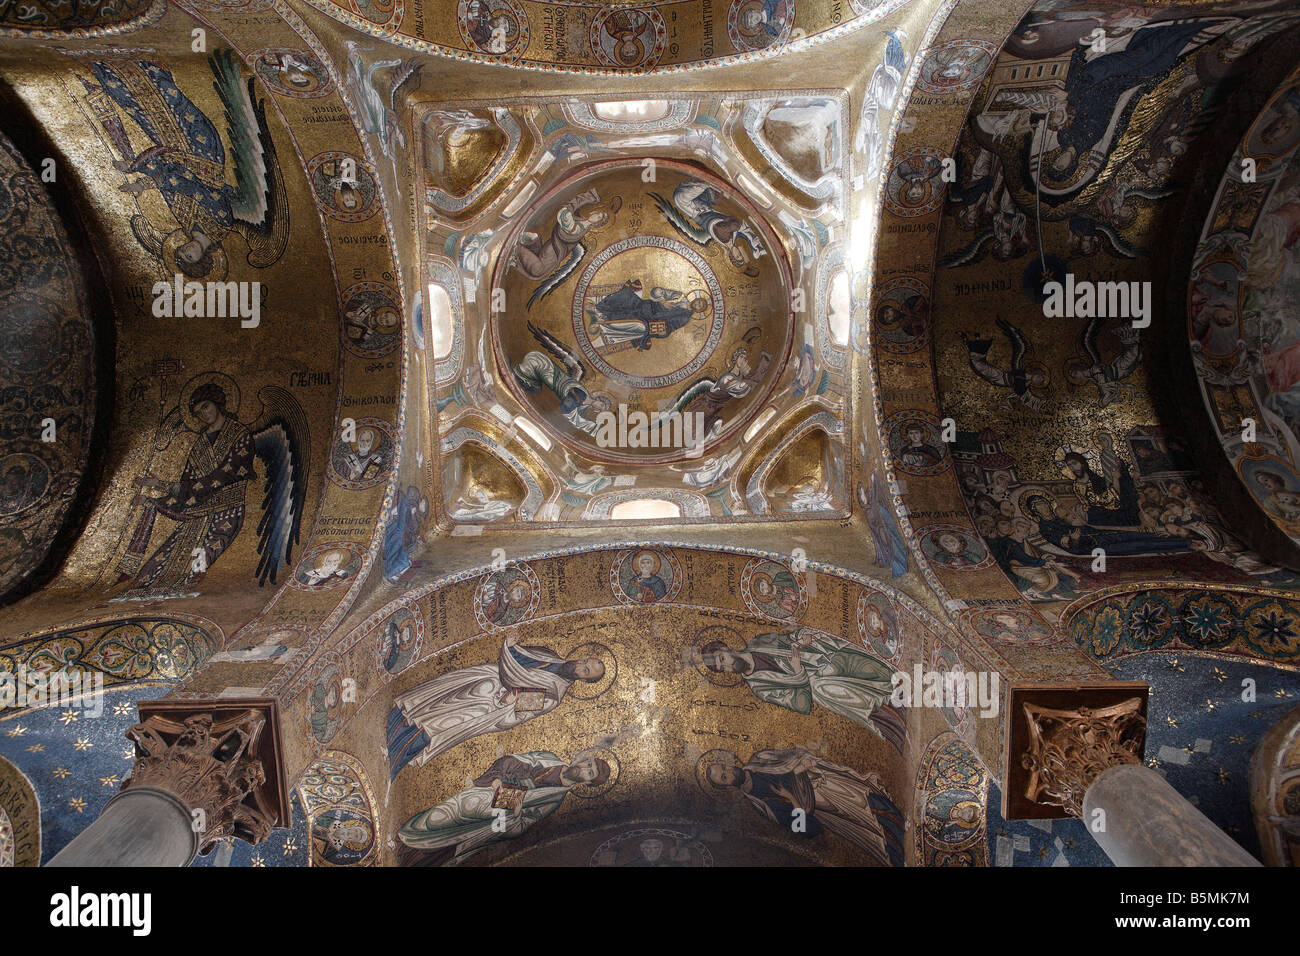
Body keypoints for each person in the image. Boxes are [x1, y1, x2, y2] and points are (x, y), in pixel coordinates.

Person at [386, 632, 606, 779]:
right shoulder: (551, 656)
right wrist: (511, 646)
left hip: (488, 705)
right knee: (432, 699)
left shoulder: (553, 695)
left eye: (585, 671)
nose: (580, 665)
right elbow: (521, 657)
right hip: (486, 678)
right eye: (584, 661)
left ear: (584, 680)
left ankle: (397, 749)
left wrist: (508, 701)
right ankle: (393, 724)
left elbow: (518, 713)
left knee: (441, 722)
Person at [397, 750, 610, 865]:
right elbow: (511, 761)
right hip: (489, 792)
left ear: (587, 783)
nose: (584, 769)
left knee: (456, 842)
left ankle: (410, 857)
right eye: (588, 764)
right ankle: (403, 837)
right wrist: (497, 779)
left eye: (589, 773)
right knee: (441, 815)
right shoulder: (548, 758)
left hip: (499, 815)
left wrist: (516, 813)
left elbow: (524, 825)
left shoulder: (554, 800)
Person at [707, 748, 903, 866]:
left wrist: (802, 762)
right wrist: (792, 798)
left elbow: (793, 756)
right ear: (728, 787)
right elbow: (803, 828)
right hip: (824, 804)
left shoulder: (761, 759)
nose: (729, 771)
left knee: (873, 799)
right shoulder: (762, 805)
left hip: (825, 778)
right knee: (871, 823)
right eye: (724, 777)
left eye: (724, 767)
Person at [698, 628, 893, 737]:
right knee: (823, 689)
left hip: (819, 656)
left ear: (726, 648)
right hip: (822, 684)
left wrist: (801, 639)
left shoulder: (760, 642)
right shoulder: (761, 689)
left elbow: (789, 637)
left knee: (873, 669)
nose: (728, 667)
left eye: (722, 659)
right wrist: (799, 671)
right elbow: (801, 705)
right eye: (722, 669)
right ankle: (886, 709)